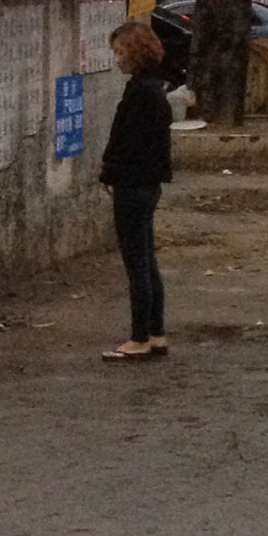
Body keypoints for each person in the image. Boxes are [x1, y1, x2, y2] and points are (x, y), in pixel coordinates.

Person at [100, 21, 172, 361]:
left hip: (132, 184)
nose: (116, 59)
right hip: (147, 184)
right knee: (147, 260)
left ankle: (139, 337)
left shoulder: (142, 94)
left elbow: (127, 143)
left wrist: (110, 171)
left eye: (120, 51)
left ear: (135, 52)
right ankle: (155, 333)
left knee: (137, 265)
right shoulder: (153, 90)